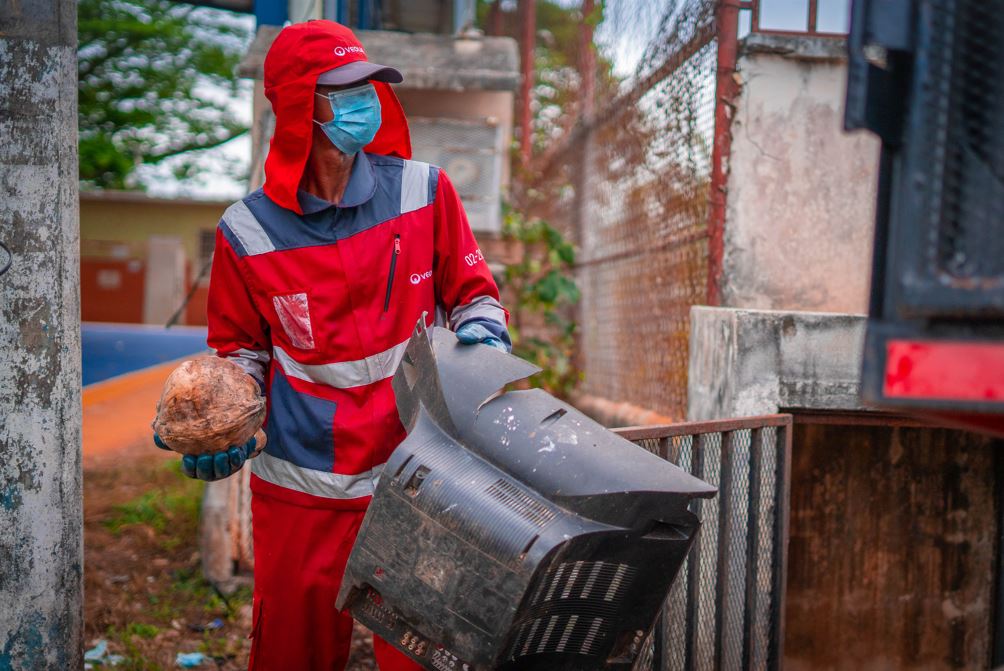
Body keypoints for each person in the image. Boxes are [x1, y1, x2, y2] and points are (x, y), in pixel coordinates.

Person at [155, 20, 510, 671]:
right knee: (291, 653)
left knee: (423, 653)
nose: (366, 100)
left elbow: (475, 293)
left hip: (416, 479)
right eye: (343, 89)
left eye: (369, 85)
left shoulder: (424, 192)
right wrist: (221, 422)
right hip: (301, 486)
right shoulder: (247, 232)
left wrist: (483, 339)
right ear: (298, 106)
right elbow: (241, 352)